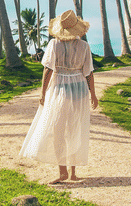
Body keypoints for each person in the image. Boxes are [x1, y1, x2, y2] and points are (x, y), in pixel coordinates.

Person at [19, 10, 98, 184]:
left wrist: (42, 92)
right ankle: (72, 172)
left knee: (59, 131)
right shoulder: (84, 46)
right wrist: (93, 94)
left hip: (60, 88)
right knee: (74, 129)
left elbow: (48, 70)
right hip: (79, 89)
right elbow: (88, 73)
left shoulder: (54, 44)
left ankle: (63, 171)